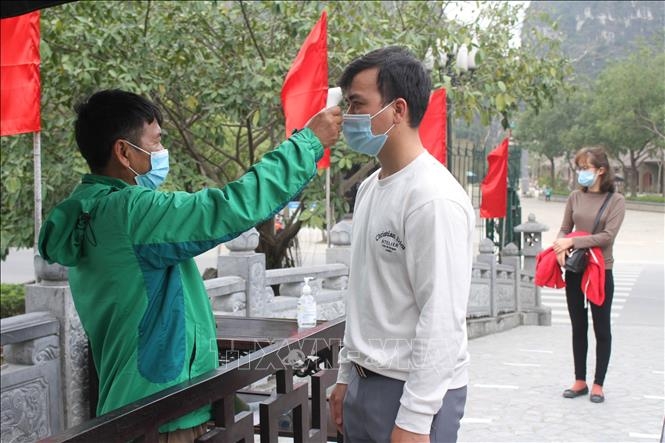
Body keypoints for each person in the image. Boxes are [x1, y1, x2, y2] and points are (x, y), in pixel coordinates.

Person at [38, 89, 342, 441]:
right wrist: (307, 144)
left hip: (137, 405)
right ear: (123, 151)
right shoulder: (130, 212)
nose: (161, 152)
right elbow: (229, 208)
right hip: (163, 415)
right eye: (155, 143)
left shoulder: (89, 212)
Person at [329, 47, 475, 442]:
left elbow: (442, 316)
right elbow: (363, 295)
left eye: (358, 104)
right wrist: (345, 375)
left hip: (411, 391)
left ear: (397, 109)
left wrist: (415, 418)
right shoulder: (369, 188)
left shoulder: (433, 198)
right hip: (363, 383)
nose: (348, 117)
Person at [551, 146, 625, 404]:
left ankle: (598, 384)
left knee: (601, 328)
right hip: (576, 268)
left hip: (600, 270)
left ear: (601, 170)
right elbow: (564, 228)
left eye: (585, 168)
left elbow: (607, 237)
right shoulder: (575, 197)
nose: (581, 172)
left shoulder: (616, 201)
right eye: (579, 168)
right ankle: (580, 380)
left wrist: (572, 242)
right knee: (578, 325)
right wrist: (560, 246)